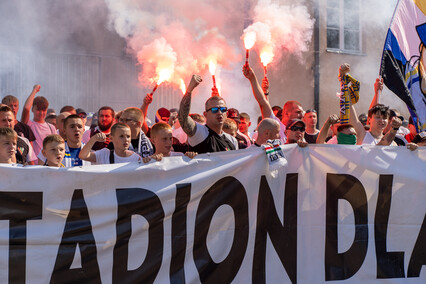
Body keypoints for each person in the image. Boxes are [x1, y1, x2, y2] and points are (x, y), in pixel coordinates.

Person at [243, 64, 304, 144]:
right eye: (298, 112)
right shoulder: (275, 124)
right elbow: (263, 102)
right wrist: (252, 78)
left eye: (300, 129)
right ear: (286, 113)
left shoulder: (300, 134)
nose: (302, 115)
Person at [178, 75, 238, 153]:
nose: (219, 112)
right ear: (205, 114)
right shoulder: (200, 132)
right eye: (214, 110)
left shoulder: (232, 141)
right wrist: (189, 90)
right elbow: (183, 118)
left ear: (226, 113)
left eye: (223, 109)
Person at [21, 85, 56, 156]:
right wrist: (34, 90)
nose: (41, 113)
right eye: (38, 109)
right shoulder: (28, 124)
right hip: (32, 165)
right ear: (32, 109)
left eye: (44, 110)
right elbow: (26, 108)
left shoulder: (51, 128)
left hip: (47, 164)